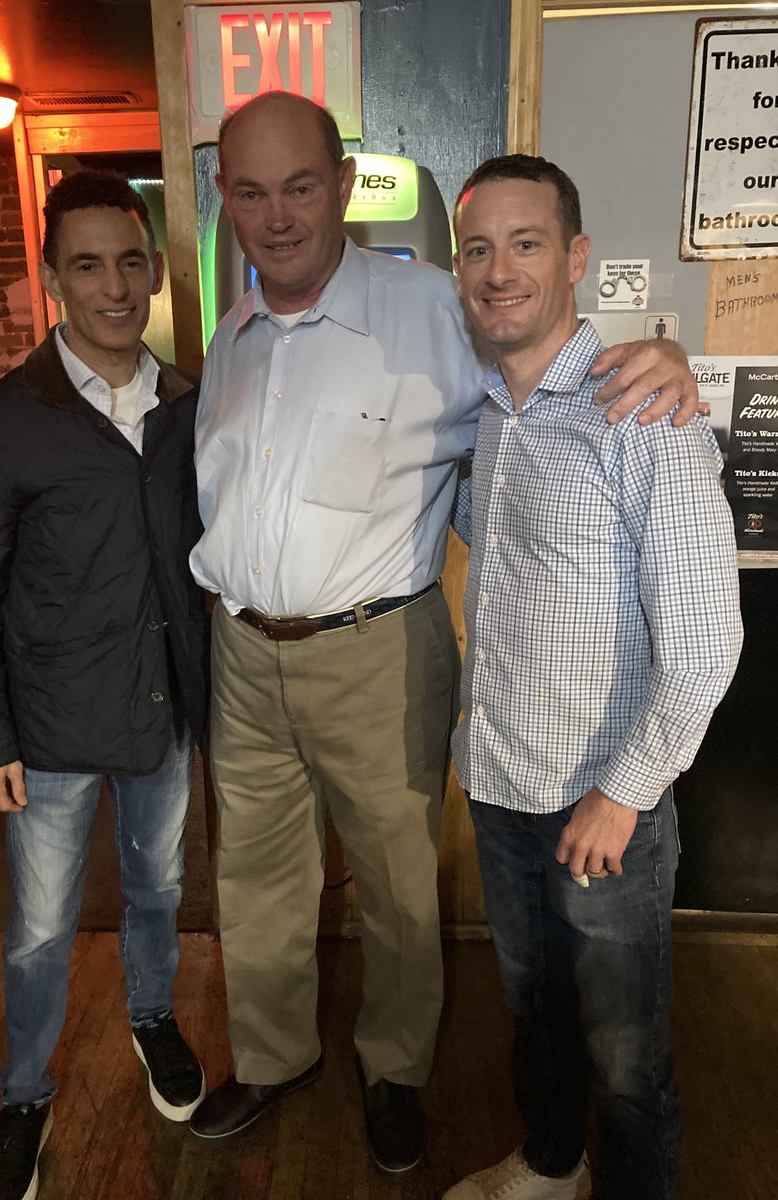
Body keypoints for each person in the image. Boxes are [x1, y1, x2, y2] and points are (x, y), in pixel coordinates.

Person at [185, 92, 700, 1175]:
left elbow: (550, 359)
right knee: (257, 880)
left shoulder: (433, 307)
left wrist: (671, 357)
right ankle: (277, 1058)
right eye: (250, 192)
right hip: (240, 650)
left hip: (375, 646)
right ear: (225, 202)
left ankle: (394, 1075)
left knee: (398, 888)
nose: (277, 216)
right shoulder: (227, 334)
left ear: (342, 186)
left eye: (301, 187)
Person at [443, 155, 743, 1200]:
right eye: (477, 249)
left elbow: (707, 642)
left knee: (627, 1056)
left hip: (604, 801)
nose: (498, 270)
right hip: (502, 783)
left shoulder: (643, 414)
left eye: (525, 244)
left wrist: (623, 796)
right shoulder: (487, 414)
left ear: (574, 259)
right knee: (534, 1010)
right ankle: (552, 1165)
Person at [0, 170, 210, 1200]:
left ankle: (152, 1020)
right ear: (54, 281)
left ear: (153, 272)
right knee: (42, 928)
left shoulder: (188, 398)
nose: (115, 285)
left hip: (163, 712)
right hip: (44, 733)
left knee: (160, 893)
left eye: (130, 261)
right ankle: (24, 1094)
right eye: (87, 264)